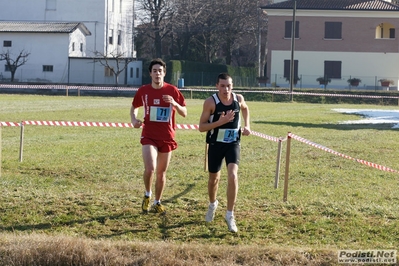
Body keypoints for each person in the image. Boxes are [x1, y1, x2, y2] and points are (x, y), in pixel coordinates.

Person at [130, 58, 187, 215]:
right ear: (150, 73)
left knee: (161, 173)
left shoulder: (173, 90)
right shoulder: (143, 90)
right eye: (154, 71)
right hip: (149, 135)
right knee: (150, 169)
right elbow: (134, 106)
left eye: (160, 71)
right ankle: (147, 195)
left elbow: (184, 112)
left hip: (167, 136)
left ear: (164, 73)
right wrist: (134, 119)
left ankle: (157, 202)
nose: (157, 74)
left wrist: (174, 103)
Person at [198, 73, 251, 233]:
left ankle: (230, 214)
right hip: (216, 144)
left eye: (228, 86)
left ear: (232, 86)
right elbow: (201, 127)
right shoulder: (210, 102)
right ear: (217, 86)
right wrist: (221, 122)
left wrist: (247, 125)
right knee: (213, 179)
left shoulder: (238, 99)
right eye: (222, 86)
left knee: (233, 175)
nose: (226, 89)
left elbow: (246, 109)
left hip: (233, 143)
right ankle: (213, 204)